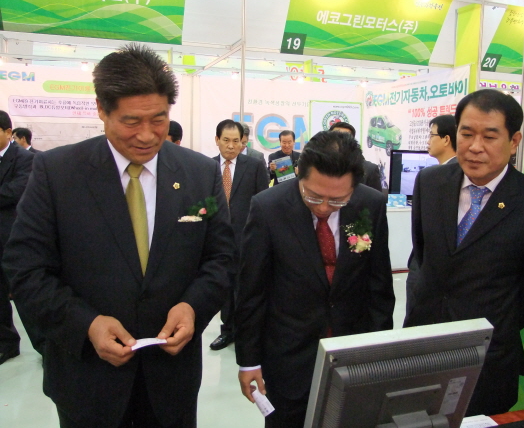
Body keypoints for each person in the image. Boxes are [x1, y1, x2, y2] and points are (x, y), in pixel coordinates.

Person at [3, 44, 235, 427]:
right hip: (87, 381)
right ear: (101, 109)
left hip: (171, 381)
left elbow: (221, 258)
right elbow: (26, 270)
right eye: (131, 121)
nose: (147, 135)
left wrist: (193, 307)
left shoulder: (198, 175)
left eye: (158, 119)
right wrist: (86, 325)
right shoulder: (57, 174)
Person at [404, 89, 524, 416]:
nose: (475, 147)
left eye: (490, 136)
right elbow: (422, 255)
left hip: (487, 359)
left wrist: (493, 320)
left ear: (514, 141)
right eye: (466, 134)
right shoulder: (430, 182)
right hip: (423, 345)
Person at [236, 130, 395, 428]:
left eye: (337, 200)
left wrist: (378, 353)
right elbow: (251, 290)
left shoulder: (370, 204)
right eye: (313, 196)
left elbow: (379, 285)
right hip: (289, 355)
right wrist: (249, 360)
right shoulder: (268, 207)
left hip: (352, 351)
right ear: (299, 173)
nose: (323, 207)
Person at [209, 120, 269, 351]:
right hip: (217, 239)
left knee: (247, 286)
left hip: (247, 237)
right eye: (226, 140)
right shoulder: (207, 167)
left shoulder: (253, 166)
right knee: (224, 286)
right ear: (217, 140)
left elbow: (263, 200)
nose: (231, 146)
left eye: (236, 141)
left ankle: (249, 331)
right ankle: (227, 331)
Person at [0, 111, 34, 365]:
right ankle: (7, 344)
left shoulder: (25, 159)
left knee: (26, 294)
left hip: (13, 238)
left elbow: (14, 192)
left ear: (8, 132)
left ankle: (46, 344)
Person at [329, 121, 382, 191]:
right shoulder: (318, 167)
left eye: (345, 137)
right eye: (337, 136)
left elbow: (376, 197)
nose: (340, 141)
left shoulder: (370, 170)